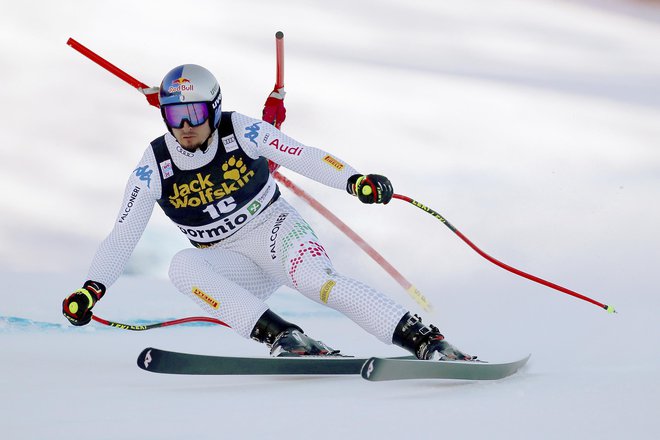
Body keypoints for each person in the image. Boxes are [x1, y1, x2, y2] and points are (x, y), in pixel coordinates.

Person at [62, 64, 473, 361]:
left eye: (195, 114)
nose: (185, 126)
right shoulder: (153, 165)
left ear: (215, 109)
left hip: (276, 232)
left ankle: (426, 341)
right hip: (232, 261)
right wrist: (91, 289)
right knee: (182, 267)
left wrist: (354, 180)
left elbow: (303, 155)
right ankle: (288, 339)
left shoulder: (242, 130)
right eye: (173, 115)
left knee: (319, 283)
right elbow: (122, 235)